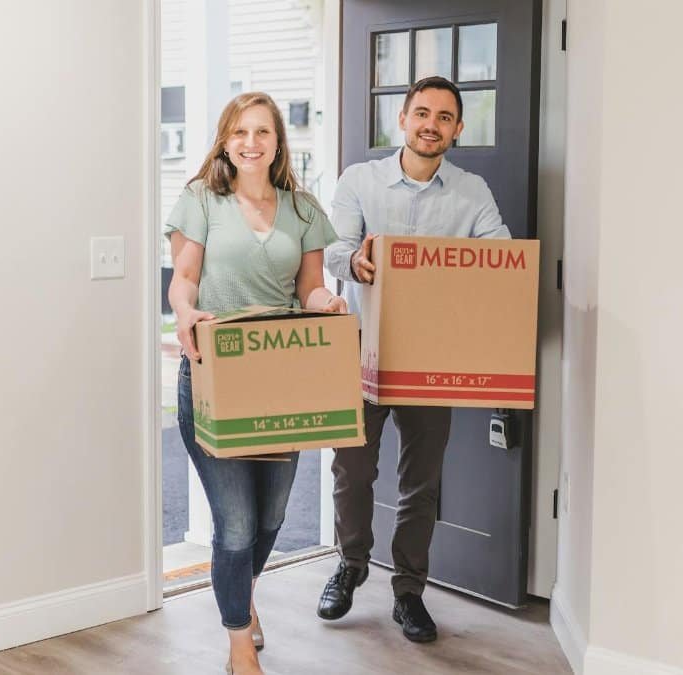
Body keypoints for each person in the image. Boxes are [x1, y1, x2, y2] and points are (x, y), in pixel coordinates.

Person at [318, 76, 510, 643]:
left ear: (457, 129)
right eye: (422, 113)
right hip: (362, 353)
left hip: (431, 358)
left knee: (421, 482)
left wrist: (472, 265)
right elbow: (332, 249)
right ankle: (350, 566)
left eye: (445, 117)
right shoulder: (360, 180)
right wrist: (356, 262)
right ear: (402, 119)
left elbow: (500, 253)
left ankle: (408, 591)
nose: (432, 124)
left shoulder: (471, 192)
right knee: (352, 470)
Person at [165, 92, 345, 675]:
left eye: (262, 132)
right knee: (236, 521)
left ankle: (242, 594)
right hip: (213, 376)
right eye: (240, 132)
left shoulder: (305, 209)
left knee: (270, 521)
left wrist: (329, 303)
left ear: (277, 142)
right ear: (225, 140)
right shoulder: (201, 201)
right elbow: (184, 278)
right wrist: (185, 313)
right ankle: (239, 642)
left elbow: (309, 288)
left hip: (278, 381)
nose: (250, 142)